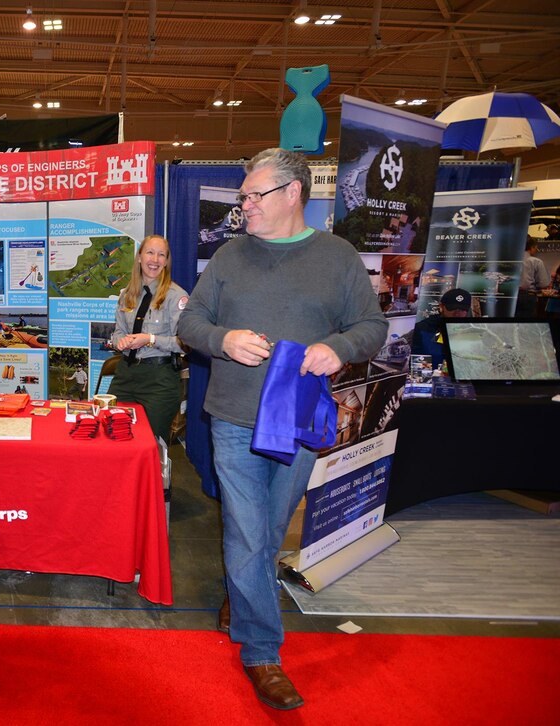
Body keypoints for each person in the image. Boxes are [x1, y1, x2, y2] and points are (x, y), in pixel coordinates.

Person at [176, 148, 387, 711]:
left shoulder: (338, 258)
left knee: (266, 531)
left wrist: (335, 348)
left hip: (296, 422)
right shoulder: (228, 257)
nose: (243, 205)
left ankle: (241, 598)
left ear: (293, 194)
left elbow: (372, 326)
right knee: (247, 532)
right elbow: (190, 322)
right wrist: (224, 340)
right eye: (243, 196)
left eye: (254, 196)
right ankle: (262, 652)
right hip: (231, 420)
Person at [108, 234, 188, 444]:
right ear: (140, 257)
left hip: (159, 380)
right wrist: (120, 342)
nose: (155, 259)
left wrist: (150, 339)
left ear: (167, 261)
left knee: (150, 445)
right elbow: (117, 332)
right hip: (126, 375)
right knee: (114, 435)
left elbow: (185, 342)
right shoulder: (127, 294)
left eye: (161, 255)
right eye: (150, 252)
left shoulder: (176, 296)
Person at [410, 287, 473, 372]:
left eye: (462, 309)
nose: (457, 312)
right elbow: (418, 366)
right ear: (441, 306)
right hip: (433, 380)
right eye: (452, 308)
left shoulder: (474, 331)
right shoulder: (423, 329)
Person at [516, 237, 550, 317]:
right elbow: (543, 283)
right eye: (536, 247)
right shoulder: (536, 262)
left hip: (510, 296)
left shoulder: (511, 260)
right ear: (532, 247)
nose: (536, 250)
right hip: (527, 296)